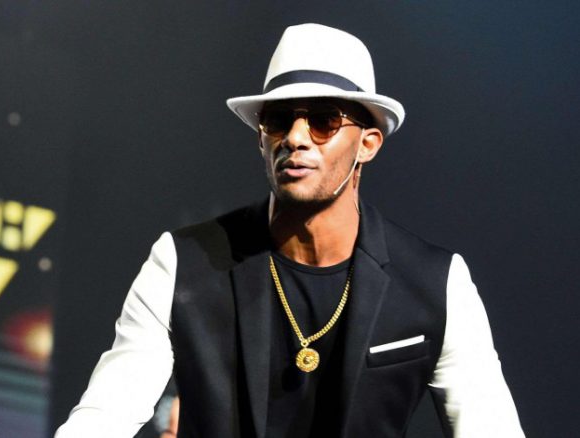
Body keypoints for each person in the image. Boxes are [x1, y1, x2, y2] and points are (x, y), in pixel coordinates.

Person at [56, 23, 524, 437]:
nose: (295, 138)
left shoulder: (435, 282)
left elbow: (489, 426)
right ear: (262, 137)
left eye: (323, 121)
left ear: (367, 144)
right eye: (279, 120)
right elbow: (105, 414)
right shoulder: (183, 262)